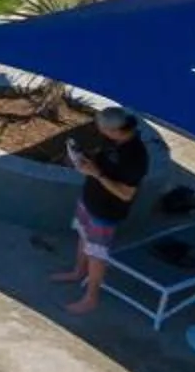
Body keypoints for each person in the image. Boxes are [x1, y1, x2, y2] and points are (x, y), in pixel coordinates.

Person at [50, 106, 147, 316]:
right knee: (83, 236)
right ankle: (77, 272)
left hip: (106, 211)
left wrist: (97, 174)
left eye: (102, 128)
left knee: (97, 254)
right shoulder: (113, 141)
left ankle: (91, 298)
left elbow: (126, 194)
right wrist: (84, 160)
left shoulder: (136, 157)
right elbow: (102, 163)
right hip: (90, 199)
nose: (99, 131)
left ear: (116, 130)